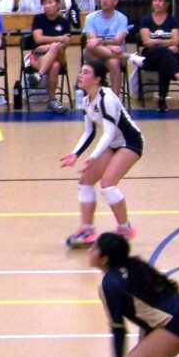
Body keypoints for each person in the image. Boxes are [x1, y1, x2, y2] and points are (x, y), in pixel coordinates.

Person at [88, 232, 179, 357]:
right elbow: (150, 317)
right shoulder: (135, 265)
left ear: (104, 259)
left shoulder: (110, 284)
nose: (90, 250)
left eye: (94, 248)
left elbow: (118, 331)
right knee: (165, 354)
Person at [59, 61, 141, 248]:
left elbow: (109, 132)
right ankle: (87, 230)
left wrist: (94, 156)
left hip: (130, 142)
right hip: (112, 144)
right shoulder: (87, 100)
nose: (80, 75)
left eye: (86, 72)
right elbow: (89, 132)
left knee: (107, 185)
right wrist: (75, 154)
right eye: (80, 71)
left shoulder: (107, 98)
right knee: (85, 182)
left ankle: (125, 229)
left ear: (96, 79)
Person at [84, 0, 144, 96]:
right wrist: (109, 46)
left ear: (115, 1)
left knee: (113, 61)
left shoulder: (122, 18)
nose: (104, 1)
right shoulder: (90, 18)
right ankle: (128, 56)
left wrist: (101, 40)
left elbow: (118, 40)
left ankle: (115, 99)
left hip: (115, 54)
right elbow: (92, 42)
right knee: (90, 46)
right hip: (97, 55)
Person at [137, 0, 179, 112]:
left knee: (163, 61)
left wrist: (156, 42)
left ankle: (162, 100)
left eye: (160, 1)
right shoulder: (146, 20)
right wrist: (166, 45)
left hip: (166, 58)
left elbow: (176, 41)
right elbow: (146, 42)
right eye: (155, 1)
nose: (157, 3)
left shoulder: (172, 20)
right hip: (150, 56)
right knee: (164, 53)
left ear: (166, 4)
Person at [27, 0, 72, 114]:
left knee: (56, 48)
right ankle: (52, 102)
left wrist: (49, 46)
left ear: (58, 4)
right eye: (44, 3)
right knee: (54, 66)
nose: (47, 6)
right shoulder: (38, 19)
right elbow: (38, 39)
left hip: (60, 54)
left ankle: (39, 74)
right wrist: (58, 39)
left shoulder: (64, 22)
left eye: (50, 2)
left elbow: (66, 42)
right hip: (38, 56)